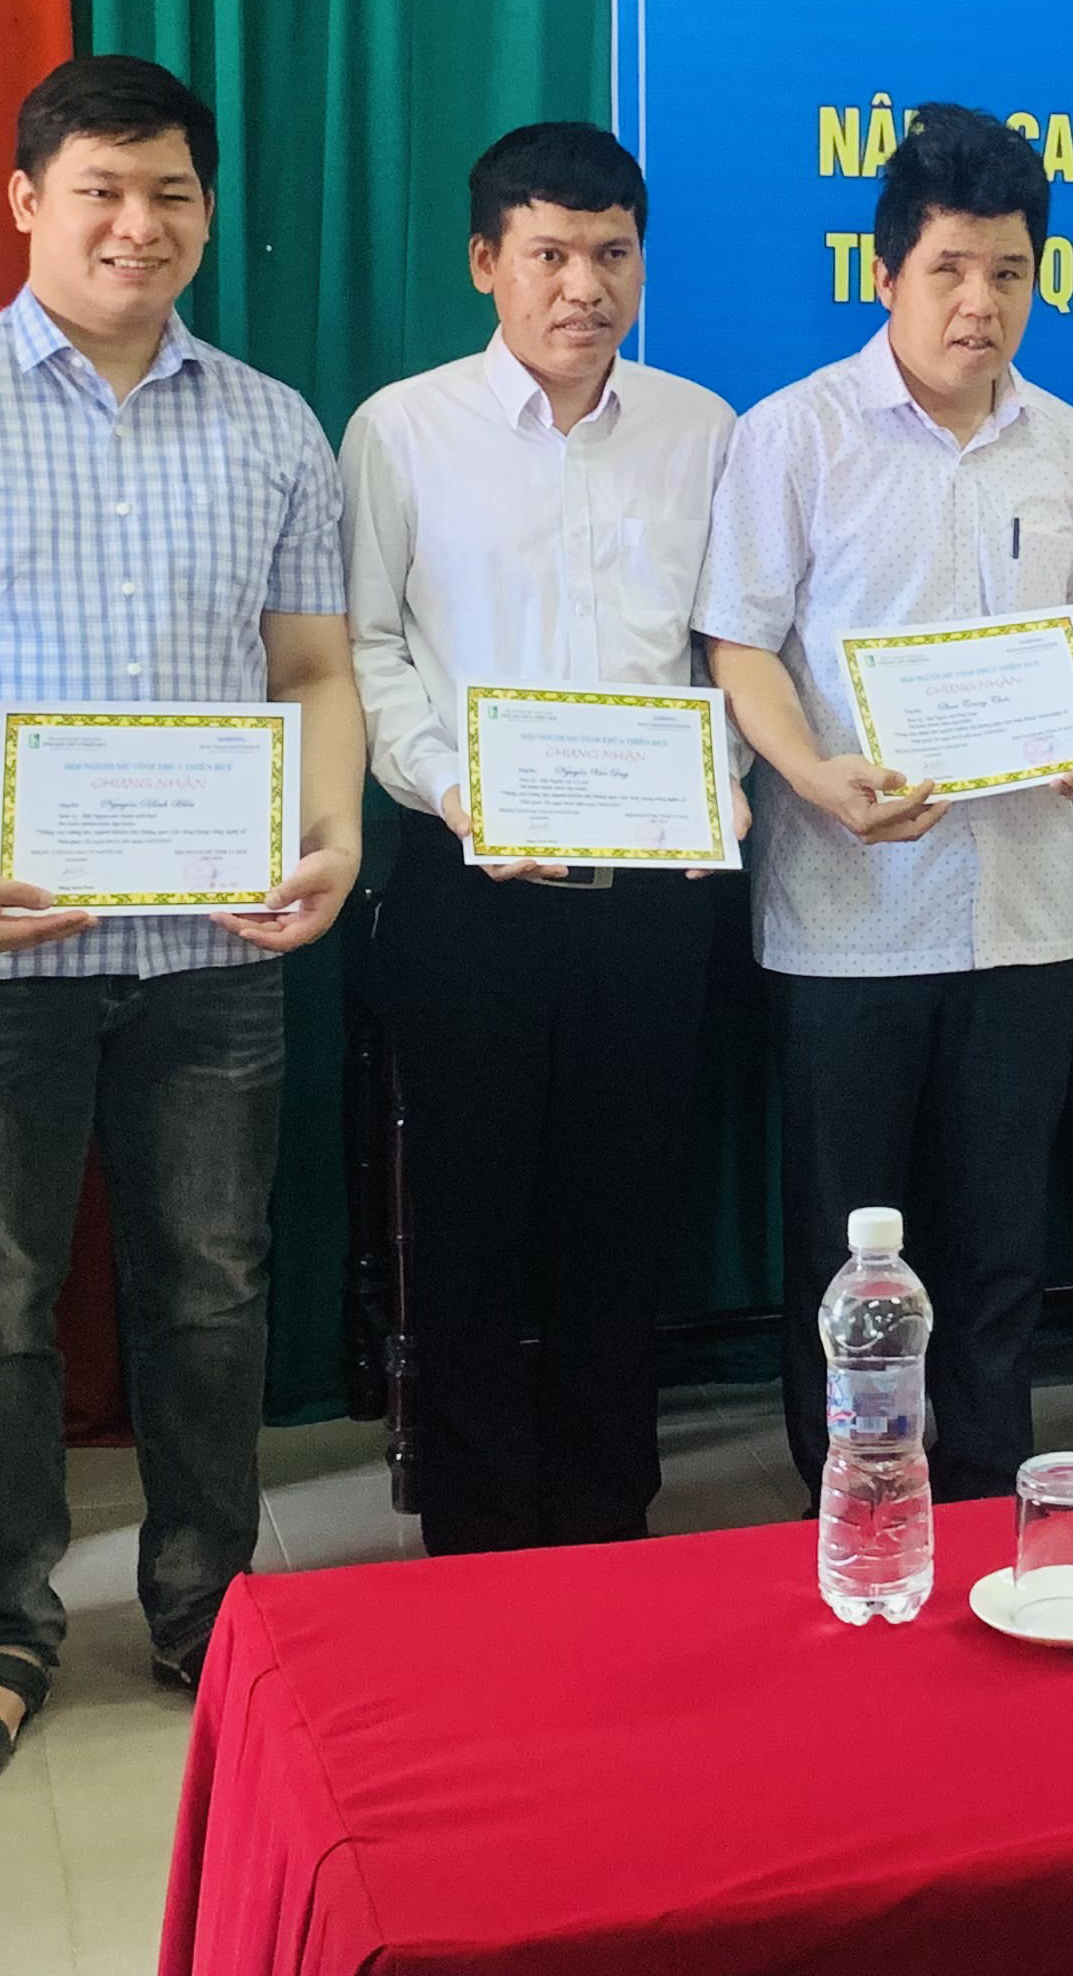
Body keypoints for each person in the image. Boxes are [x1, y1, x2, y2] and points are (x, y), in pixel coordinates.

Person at [0, 55, 366, 1795]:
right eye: (102, 186)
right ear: (28, 198)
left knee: (213, 1290)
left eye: (172, 190)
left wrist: (327, 834)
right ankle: (1, 1623)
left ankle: (210, 1606)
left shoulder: (271, 420)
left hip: (212, 948)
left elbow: (318, 669)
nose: (140, 220)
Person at [701, 104, 1073, 1502]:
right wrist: (813, 778)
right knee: (847, 1249)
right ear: (885, 273)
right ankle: (854, 1502)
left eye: (1008, 273)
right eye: (948, 269)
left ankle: (993, 1493)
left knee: (1003, 1241)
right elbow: (742, 642)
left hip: (1023, 913)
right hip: (847, 917)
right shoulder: (795, 436)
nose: (979, 303)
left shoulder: (1070, 446)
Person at [340, 123, 736, 1554]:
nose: (585, 286)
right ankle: (477, 1531)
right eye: (551, 255)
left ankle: (604, 1518)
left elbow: (728, 652)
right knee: (468, 1229)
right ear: (485, 264)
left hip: (654, 893)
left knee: (620, 1226)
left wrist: (726, 775)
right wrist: (459, 793)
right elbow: (369, 650)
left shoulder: (702, 428)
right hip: (472, 887)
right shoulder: (402, 427)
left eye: (613, 254)